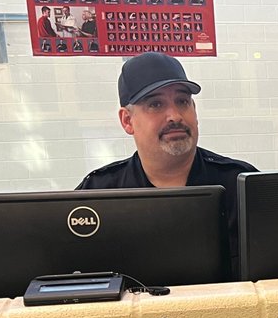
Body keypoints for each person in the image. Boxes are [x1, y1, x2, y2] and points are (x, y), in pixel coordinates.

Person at [78, 52, 257, 276]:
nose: (174, 116)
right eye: (155, 104)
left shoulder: (242, 186)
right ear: (127, 120)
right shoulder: (97, 195)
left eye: (182, 101)